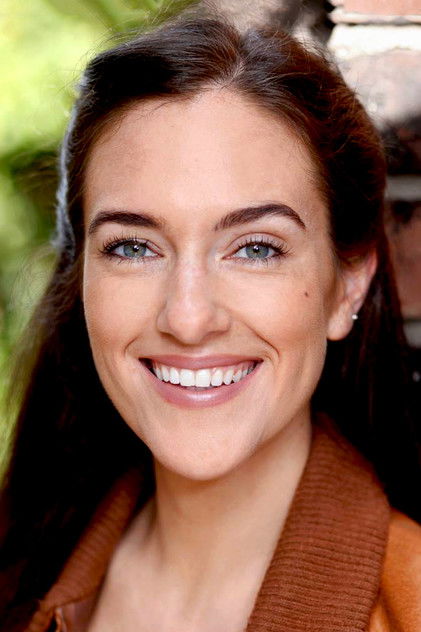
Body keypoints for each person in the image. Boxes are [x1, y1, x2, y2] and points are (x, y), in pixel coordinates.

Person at [1, 9, 420, 632]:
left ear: (347, 283)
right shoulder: (19, 570)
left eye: (256, 248)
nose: (188, 317)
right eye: (133, 247)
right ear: (81, 276)